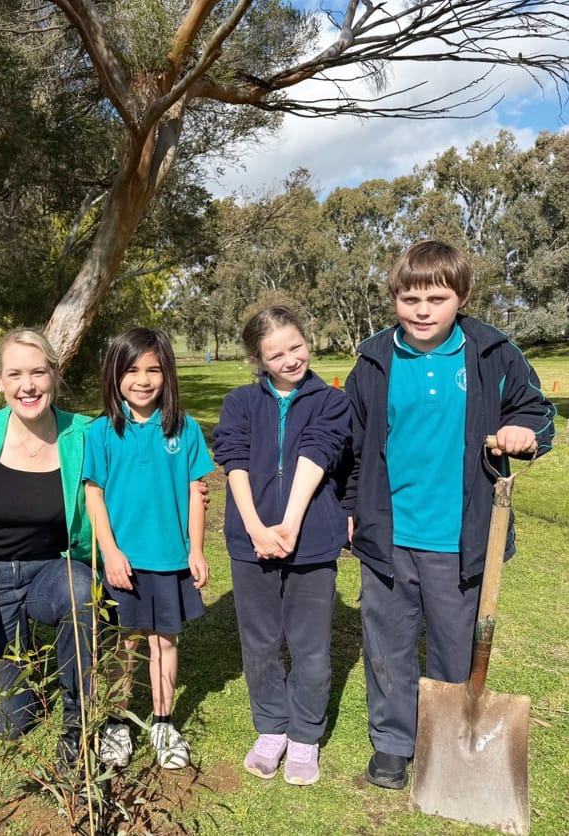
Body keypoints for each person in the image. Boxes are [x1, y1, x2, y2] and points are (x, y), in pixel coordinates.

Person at [344, 240, 556, 790]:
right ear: (395, 298)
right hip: (389, 535)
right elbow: (352, 447)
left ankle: (443, 743)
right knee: (388, 643)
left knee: (454, 645)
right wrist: (351, 512)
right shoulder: (373, 361)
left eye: (436, 298)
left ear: (461, 297)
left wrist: (523, 434)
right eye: (409, 297)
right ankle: (392, 744)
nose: (421, 309)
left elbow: (537, 412)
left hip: (461, 538)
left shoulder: (491, 352)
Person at [212, 306, 351, 786]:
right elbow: (233, 460)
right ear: (258, 359)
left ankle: (307, 734)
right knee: (260, 643)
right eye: (276, 354)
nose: (291, 359)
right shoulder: (239, 404)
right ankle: (272, 728)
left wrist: (289, 523)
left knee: (310, 647)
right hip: (250, 542)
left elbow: (321, 451)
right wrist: (254, 527)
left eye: (296, 346)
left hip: (310, 541)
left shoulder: (333, 401)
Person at [0, 328, 98, 769]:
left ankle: (79, 720)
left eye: (38, 372)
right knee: (13, 722)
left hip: (51, 571)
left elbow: (134, 475)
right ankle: (22, 669)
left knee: (79, 590)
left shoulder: (84, 433)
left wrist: (186, 493)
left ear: (55, 375)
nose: (27, 385)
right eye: (15, 374)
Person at [83, 327, 213, 770]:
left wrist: (196, 550)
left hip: (170, 559)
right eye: (132, 369)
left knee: (165, 642)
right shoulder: (100, 432)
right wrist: (111, 553)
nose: (143, 379)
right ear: (115, 374)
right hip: (125, 563)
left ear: (167, 374)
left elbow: (198, 491)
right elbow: (94, 496)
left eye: (154, 369)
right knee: (125, 643)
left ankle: (162, 722)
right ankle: (116, 723)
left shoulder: (185, 428)